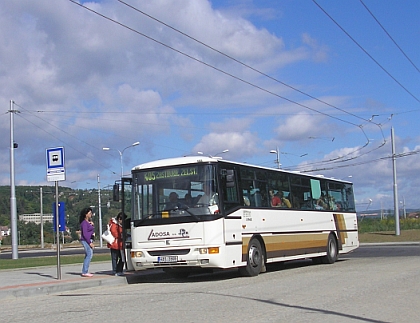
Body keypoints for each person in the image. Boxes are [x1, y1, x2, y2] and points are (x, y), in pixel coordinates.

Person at [79, 207, 95, 277]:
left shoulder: (88, 222)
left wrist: (91, 225)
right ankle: (85, 271)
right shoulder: (84, 223)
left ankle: (85, 270)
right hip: (86, 240)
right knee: (89, 254)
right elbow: (85, 234)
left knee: (89, 254)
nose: (91, 214)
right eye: (90, 213)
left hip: (88, 239)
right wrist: (89, 243)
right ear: (86, 214)